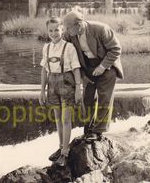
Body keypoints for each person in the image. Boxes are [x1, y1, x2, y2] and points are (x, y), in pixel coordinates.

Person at [63, 11, 124, 140]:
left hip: (107, 66)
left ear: (78, 25)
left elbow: (116, 49)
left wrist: (102, 67)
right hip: (87, 67)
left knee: (104, 97)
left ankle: (99, 131)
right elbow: (63, 50)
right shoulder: (69, 35)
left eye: (68, 27)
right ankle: (88, 127)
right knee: (87, 98)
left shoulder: (101, 29)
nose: (66, 31)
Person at [39, 17, 82, 166]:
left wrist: (78, 89)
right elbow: (44, 70)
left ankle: (65, 153)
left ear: (62, 29)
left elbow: (76, 68)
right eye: (50, 30)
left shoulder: (69, 47)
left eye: (56, 30)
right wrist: (42, 91)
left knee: (66, 119)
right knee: (57, 118)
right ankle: (61, 147)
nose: (54, 33)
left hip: (67, 84)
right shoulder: (46, 48)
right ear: (47, 31)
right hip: (52, 85)